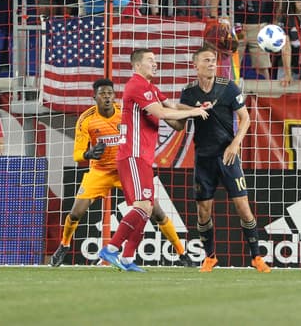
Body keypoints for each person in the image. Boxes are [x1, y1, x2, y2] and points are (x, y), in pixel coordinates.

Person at [50, 78, 190, 268]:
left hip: (126, 168)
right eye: (102, 94)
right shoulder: (86, 119)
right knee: (76, 213)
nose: (107, 97)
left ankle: (182, 253)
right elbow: (77, 154)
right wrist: (88, 154)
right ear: (94, 97)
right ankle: (64, 245)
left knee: (155, 210)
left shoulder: (124, 113)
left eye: (110, 93)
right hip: (100, 171)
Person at [95, 48, 209, 271]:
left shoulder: (151, 88)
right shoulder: (136, 86)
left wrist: (198, 107)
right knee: (142, 206)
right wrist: (194, 114)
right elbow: (165, 114)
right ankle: (111, 248)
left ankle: (127, 258)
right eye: (150, 61)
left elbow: (174, 107)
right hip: (133, 155)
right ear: (137, 66)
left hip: (143, 158)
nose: (155, 64)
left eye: (155, 61)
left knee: (146, 209)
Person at [169, 47, 269, 273]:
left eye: (214, 60)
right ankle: (210, 257)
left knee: (243, 207)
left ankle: (257, 257)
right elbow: (178, 124)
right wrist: (161, 113)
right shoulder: (189, 93)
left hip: (228, 156)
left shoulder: (228, 87)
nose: (212, 63)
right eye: (207, 60)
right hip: (203, 159)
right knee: (203, 212)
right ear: (196, 66)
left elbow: (245, 119)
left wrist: (235, 144)